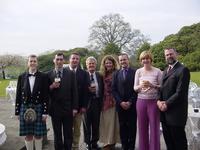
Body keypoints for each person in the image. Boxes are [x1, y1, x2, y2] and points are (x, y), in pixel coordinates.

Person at [157, 48, 190, 150]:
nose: (169, 56)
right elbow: (161, 88)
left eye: (171, 54)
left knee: (179, 142)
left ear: (177, 54)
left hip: (176, 113)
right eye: (167, 55)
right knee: (168, 141)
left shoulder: (183, 70)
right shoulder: (166, 70)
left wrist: (166, 104)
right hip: (164, 113)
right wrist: (158, 101)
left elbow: (180, 93)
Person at [15, 54, 48, 150]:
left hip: (39, 107)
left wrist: (45, 111)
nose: (33, 63)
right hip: (25, 108)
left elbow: (46, 95)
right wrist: (17, 112)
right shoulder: (21, 76)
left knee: (38, 135)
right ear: (28, 63)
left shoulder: (43, 76)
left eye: (34, 61)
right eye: (31, 61)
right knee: (28, 135)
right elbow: (18, 95)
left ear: (37, 63)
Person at [47, 52, 78, 150]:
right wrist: (51, 86)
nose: (59, 61)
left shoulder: (71, 73)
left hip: (68, 109)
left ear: (64, 61)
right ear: (54, 60)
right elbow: (44, 92)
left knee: (68, 133)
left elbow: (75, 91)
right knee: (57, 134)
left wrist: (75, 108)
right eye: (57, 59)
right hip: (55, 109)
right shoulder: (48, 74)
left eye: (61, 59)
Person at [134, 51, 162, 150]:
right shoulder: (138, 71)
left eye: (147, 58)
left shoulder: (158, 71)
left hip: (154, 102)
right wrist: (141, 86)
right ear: (141, 60)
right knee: (142, 127)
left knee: (154, 127)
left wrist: (152, 85)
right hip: (141, 101)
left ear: (151, 59)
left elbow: (162, 87)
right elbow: (135, 88)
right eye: (143, 59)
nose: (145, 60)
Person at [112, 53, 137, 150]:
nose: (123, 61)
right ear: (119, 62)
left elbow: (137, 90)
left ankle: (131, 146)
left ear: (128, 60)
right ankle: (124, 145)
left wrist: (130, 102)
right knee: (122, 126)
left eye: (124, 59)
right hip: (120, 105)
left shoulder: (135, 72)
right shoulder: (116, 74)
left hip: (132, 105)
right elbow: (113, 90)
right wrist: (121, 102)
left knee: (132, 126)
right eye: (121, 60)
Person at [66, 52, 88, 150]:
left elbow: (85, 91)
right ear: (69, 60)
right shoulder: (64, 71)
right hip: (66, 107)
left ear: (79, 61)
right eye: (73, 58)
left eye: (77, 59)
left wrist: (84, 106)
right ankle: (68, 146)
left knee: (77, 129)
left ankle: (75, 147)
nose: (75, 60)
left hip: (79, 107)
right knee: (67, 129)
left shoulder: (84, 73)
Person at [99, 55, 120, 150]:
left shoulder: (117, 73)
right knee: (105, 123)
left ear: (113, 63)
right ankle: (107, 142)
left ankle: (112, 142)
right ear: (104, 64)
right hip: (104, 101)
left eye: (110, 63)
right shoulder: (102, 74)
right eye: (106, 63)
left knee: (114, 122)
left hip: (114, 100)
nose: (108, 64)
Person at [83, 56, 103, 150]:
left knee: (96, 124)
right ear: (86, 65)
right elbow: (79, 89)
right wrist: (87, 90)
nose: (91, 65)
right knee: (87, 124)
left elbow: (102, 89)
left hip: (97, 102)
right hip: (86, 104)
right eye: (89, 63)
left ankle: (95, 142)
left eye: (93, 63)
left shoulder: (99, 75)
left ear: (96, 65)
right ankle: (87, 143)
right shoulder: (83, 75)